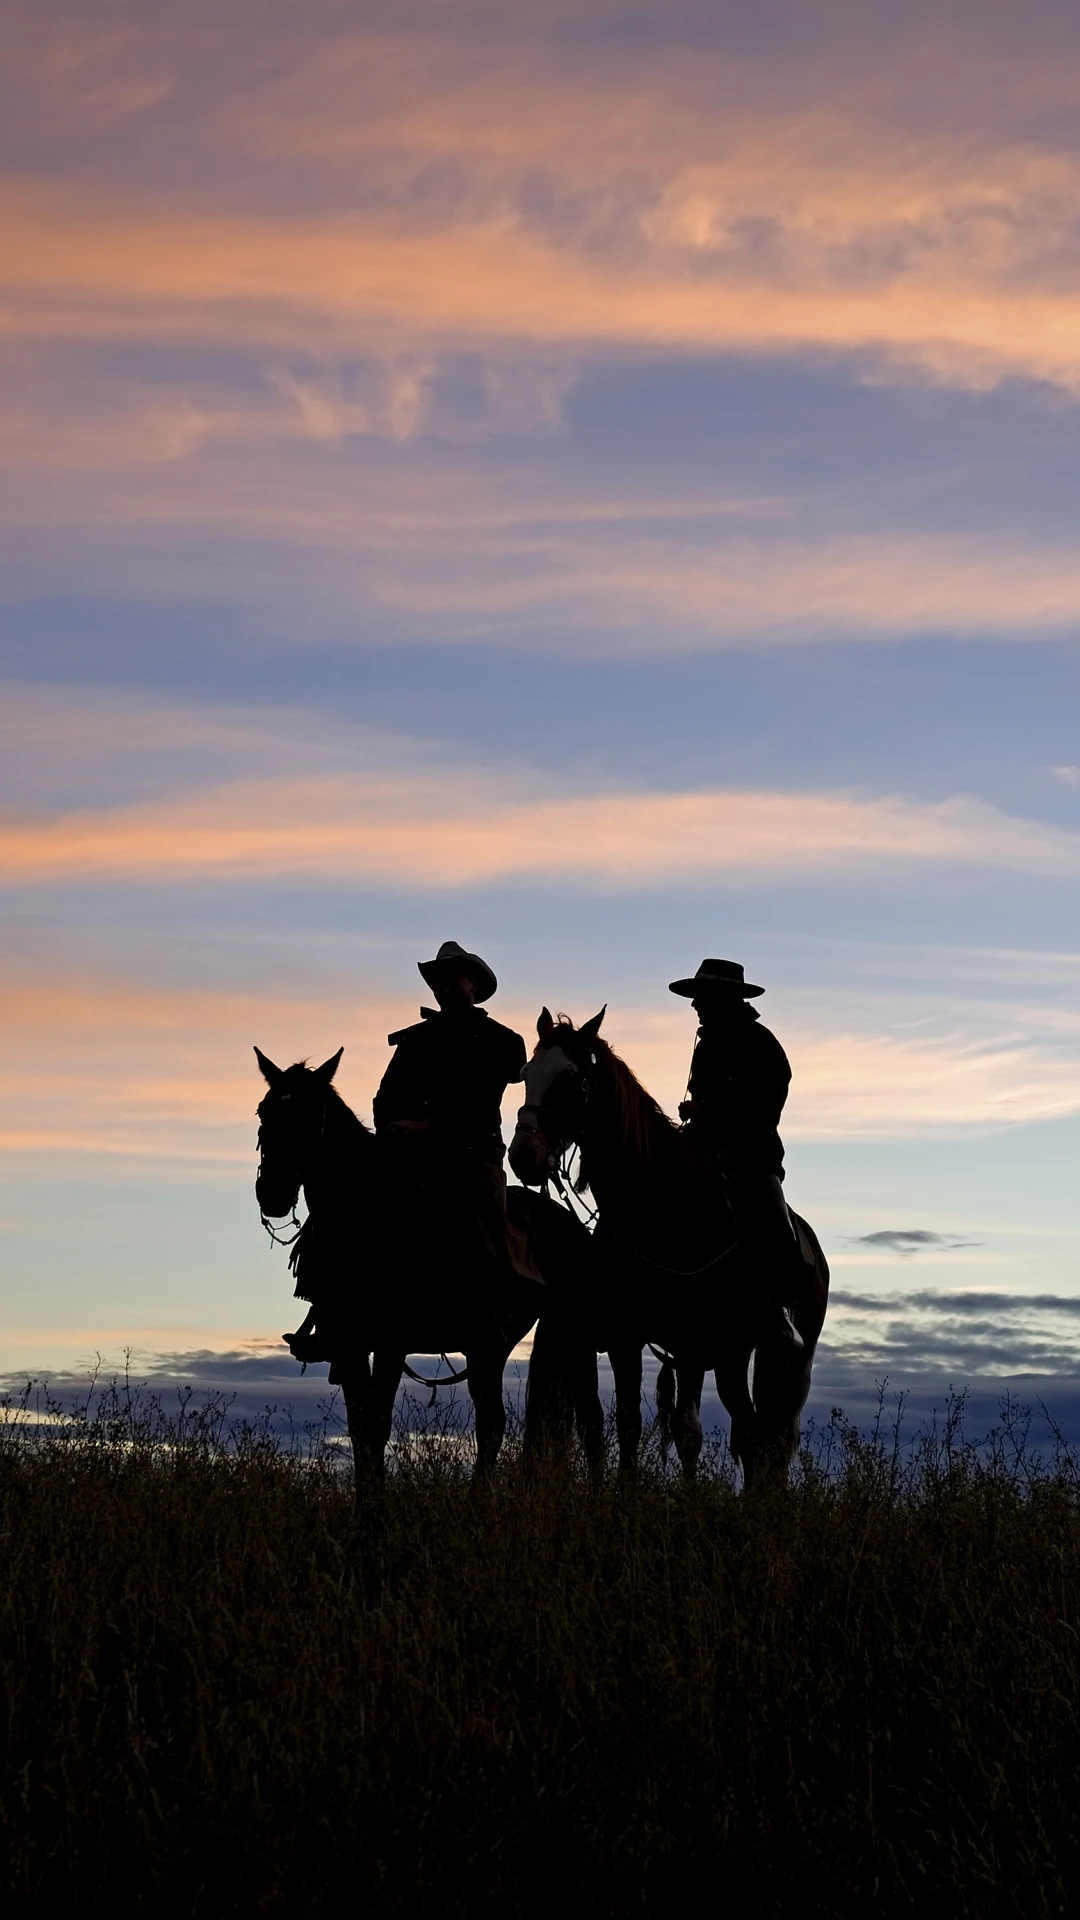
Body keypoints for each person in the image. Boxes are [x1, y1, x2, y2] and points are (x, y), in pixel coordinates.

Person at [374, 941, 534, 1300]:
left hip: (471, 1153)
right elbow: (385, 1095)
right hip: (406, 1153)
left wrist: (430, 1127)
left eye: (452, 975)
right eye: (437, 977)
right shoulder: (413, 1040)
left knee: (483, 1218)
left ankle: (499, 1300)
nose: (442, 982)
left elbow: (481, 1101)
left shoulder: (503, 1041)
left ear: (474, 984)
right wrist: (388, 1127)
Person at [669, 957, 803, 1349]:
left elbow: (765, 1108)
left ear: (724, 997)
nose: (695, 1005)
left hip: (752, 1156)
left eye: (702, 996)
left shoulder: (763, 1045)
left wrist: (707, 1111)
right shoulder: (706, 1044)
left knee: (773, 1220)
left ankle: (779, 1307)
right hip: (700, 1150)